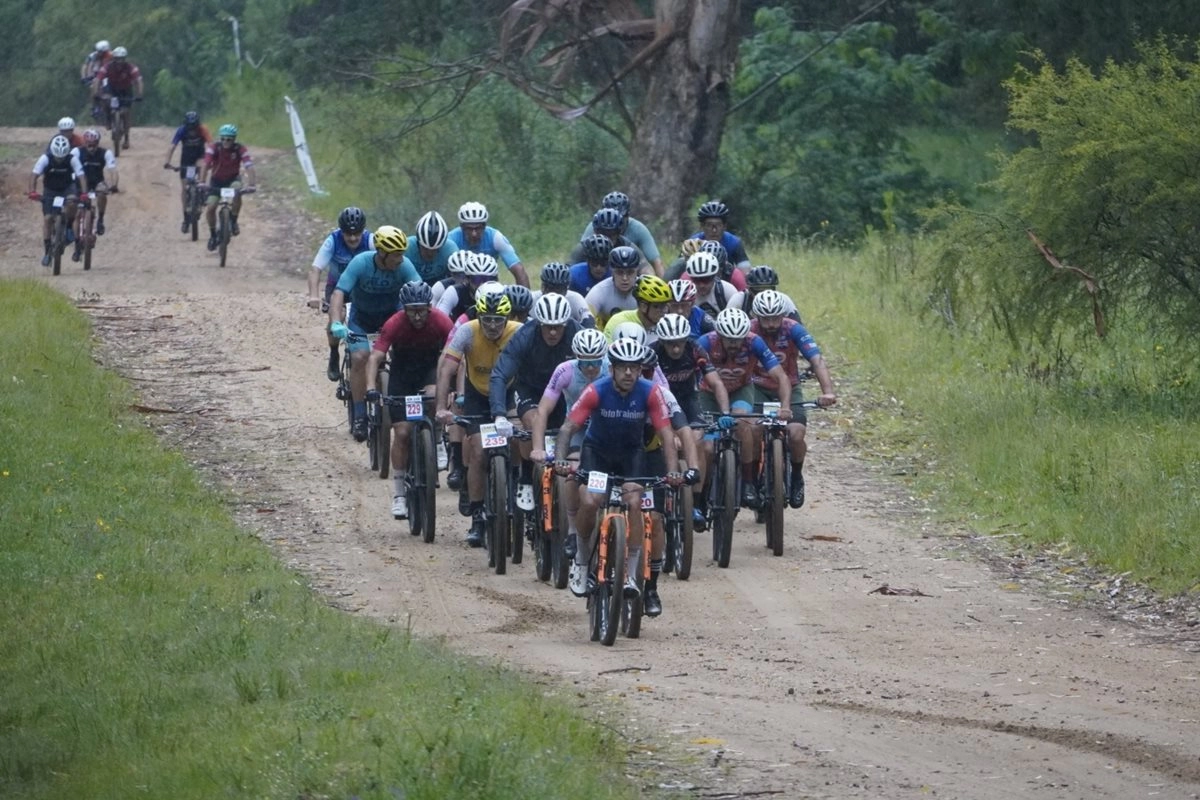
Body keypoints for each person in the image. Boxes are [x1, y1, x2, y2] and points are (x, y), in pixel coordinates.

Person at [544, 338, 680, 601]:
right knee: (591, 500)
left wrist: (673, 472)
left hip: (632, 455)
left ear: (640, 370)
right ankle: (582, 560)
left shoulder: (651, 392)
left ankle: (630, 573)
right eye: (622, 367)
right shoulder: (596, 390)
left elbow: (666, 434)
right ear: (612, 369)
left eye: (634, 367)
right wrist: (560, 459)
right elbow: (568, 428)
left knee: (634, 502)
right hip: (598, 453)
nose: (628, 373)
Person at [434, 288, 522, 547]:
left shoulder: (518, 331)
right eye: (487, 319)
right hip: (478, 396)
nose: (492, 325)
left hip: (509, 395)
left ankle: (518, 482)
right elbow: (447, 369)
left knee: (519, 440)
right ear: (479, 317)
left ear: (507, 319)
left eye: (498, 320)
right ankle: (478, 517)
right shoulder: (467, 331)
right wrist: (441, 407)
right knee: (479, 452)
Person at [364, 281, 455, 519]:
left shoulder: (441, 321)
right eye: (412, 310)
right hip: (402, 376)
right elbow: (375, 358)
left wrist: (452, 385)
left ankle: (437, 440)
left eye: (421, 310)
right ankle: (399, 494)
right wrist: (371, 387)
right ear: (404, 309)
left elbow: (454, 354)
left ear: (429, 307)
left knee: (434, 397)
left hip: (429, 371)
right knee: (402, 434)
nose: (417, 316)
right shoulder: (394, 323)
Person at [328, 225, 420, 441]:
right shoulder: (360, 263)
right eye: (396, 255)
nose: (400, 259)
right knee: (360, 357)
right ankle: (360, 415)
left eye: (402, 254)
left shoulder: (405, 265)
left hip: (391, 318)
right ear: (382, 253)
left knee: (404, 356)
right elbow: (339, 293)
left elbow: (420, 292)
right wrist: (335, 321)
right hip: (362, 319)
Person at [489, 292, 580, 513]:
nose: (552, 332)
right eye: (547, 327)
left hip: (563, 392)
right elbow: (500, 375)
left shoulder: (576, 333)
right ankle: (526, 478)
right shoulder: (525, 336)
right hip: (529, 389)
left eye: (558, 327)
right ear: (539, 323)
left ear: (566, 324)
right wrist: (499, 414)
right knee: (532, 423)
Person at [696, 307, 793, 508]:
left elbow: (781, 377)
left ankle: (748, 482)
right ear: (719, 335)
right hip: (708, 394)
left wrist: (785, 407)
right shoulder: (705, 342)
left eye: (738, 339)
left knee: (743, 423)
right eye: (729, 340)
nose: (734, 344)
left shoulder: (754, 342)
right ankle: (703, 491)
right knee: (707, 447)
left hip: (741, 389)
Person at [749, 289, 837, 508]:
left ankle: (796, 476)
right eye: (765, 319)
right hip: (757, 388)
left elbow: (816, 360)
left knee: (796, 434)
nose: (771, 324)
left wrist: (827, 391)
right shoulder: (749, 330)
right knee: (753, 431)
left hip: (790, 388)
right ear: (757, 317)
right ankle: (749, 480)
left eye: (775, 318)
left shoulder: (793, 329)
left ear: (783, 315)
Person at [528, 327, 610, 562]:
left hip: (606, 427)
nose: (591, 368)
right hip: (576, 427)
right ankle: (573, 530)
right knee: (572, 472)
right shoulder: (565, 371)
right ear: (576, 358)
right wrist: (537, 447)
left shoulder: (612, 369)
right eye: (585, 363)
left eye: (596, 362)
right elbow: (543, 410)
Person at [653, 313, 730, 528]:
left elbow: (716, 383)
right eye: (670, 344)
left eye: (679, 342)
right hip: (660, 403)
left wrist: (725, 412)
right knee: (665, 443)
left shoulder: (695, 349)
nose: (676, 348)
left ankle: (696, 502)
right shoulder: (652, 353)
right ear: (662, 341)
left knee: (698, 443)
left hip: (688, 400)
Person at [307, 207, 373, 380]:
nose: (353, 238)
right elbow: (315, 269)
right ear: (341, 231)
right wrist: (314, 295)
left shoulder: (371, 240)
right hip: (337, 288)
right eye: (348, 234)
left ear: (363, 230)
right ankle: (334, 352)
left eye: (357, 234)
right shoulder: (333, 240)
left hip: (363, 289)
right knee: (337, 316)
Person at [569, 191, 664, 275]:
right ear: (595, 231)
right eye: (603, 233)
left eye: (612, 234)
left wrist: (655, 283)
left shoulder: (634, 234)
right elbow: (573, 264)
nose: (607, 238)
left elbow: (651, 265)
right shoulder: (590, 234)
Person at [28, 135, 86, 267]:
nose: (60, 159)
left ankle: (70, 226)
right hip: (50, 190)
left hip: (67, 189)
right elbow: (34, 175)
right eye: (57, 157)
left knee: (72, 203)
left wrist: (83, 193)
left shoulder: (72, 159)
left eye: (62, 157)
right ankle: (47, 251)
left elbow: (81, 176)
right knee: (48, 218)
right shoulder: (45, 158)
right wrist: (32, 191)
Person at [199, 124, 256, 252]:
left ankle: (234, 220)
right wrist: (202, 182)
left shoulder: (240, 148)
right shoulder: (214, 148)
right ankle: (213, 235)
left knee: (237, 191)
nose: (226, 141)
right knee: (211, 208)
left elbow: (249, 165)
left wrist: (252, 184)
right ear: (220, 138)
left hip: (232, 180)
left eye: (229, 139)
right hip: (216, 181)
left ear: (234, 139)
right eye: (223, 138)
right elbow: (206, 164)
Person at [448, 201, 530, 288]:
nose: (474, 234)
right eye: (469, 229)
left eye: (478, 228)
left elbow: (519, 270)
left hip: (487, 287)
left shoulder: (495, 237)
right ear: (462, 227)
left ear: (484, 226)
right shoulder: (451, 239)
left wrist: (524, 295)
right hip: (458, 286)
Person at [163, 111, 212, 232]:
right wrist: (167, 161)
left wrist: (212, 160)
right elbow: (172, 146)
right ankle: (185, 218)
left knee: (202, 167)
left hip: (199, 156)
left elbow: (211, 146)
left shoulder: (203, 129)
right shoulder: (181, 130)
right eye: (190, 128)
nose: (192, 131)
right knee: (185, 188)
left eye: (194, 128)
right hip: (186, 159)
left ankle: (202, 190)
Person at [70, 129, 117, 253]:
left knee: (102, 193)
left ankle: (100, 219)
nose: (91, 148)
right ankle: (76, 242)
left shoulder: (105, 153)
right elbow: (69, 167)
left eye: (94, 144)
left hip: (97, 183)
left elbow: (113, 170)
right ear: (84, 143)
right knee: (77, 213)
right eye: (89, 145)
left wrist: (114, 185)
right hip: (80, 184)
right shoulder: (76, 152)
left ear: (98, 143)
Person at [92, 47, 143, 145]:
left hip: (126, 90)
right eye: (117, 59)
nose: (119, 62)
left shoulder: (131, 68)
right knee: (105, 100)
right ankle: (108, 119)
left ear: (125, 59)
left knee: (126, 113)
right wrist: (96, 94)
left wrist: (139, 94)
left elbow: (139, 80)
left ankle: (126, 138)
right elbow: (97, 80)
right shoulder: (107, 67)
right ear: (113, 59)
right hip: (112, 89)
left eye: (122, 59)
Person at [603, 274, 672, 346]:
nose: (664, 311)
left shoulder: (667, 323)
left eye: (665, 306)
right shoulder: (618, 321)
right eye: (657, 306)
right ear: (643, 306)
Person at [584, 245, 642, 328]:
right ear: (612, 271)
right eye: (619, 272)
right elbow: (584, 321)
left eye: (630, 272)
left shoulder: (646, 290)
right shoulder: (599, 291)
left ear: (637, 271)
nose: (625, 278)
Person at [691, 200, 751, 274]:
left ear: (724, 226)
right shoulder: (693, 243)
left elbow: (746, 273)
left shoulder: (734, 243)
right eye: (709, 225)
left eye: (718, 225)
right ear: (702, 226)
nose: (714, 230)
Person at [532, 262, 594, 327]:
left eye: (558, 289)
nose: (554, 293)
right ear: (542, 287)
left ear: (566, 289)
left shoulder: (575, 298)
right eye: (550, 288)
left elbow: (589, 323)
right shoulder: (532, 299)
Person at [728, 265, 800, 321]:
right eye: (759, 289)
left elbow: (798, 325)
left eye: (768, 289)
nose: (763, 293)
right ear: (749, 289)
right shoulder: (739, 299)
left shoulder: (784, 300)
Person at [406, 210, 459, 284]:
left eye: (435, 249)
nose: (430, 253)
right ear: (418, 242)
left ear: (442, 245)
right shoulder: (407, 248)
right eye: (425, 248)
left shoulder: (450, 249)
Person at [684, 251, 737, 317]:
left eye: (706, 279)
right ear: (691, 278)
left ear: (714, 276)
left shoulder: (728, 291)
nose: (701, 285)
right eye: (696, 280)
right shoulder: (684, 293)